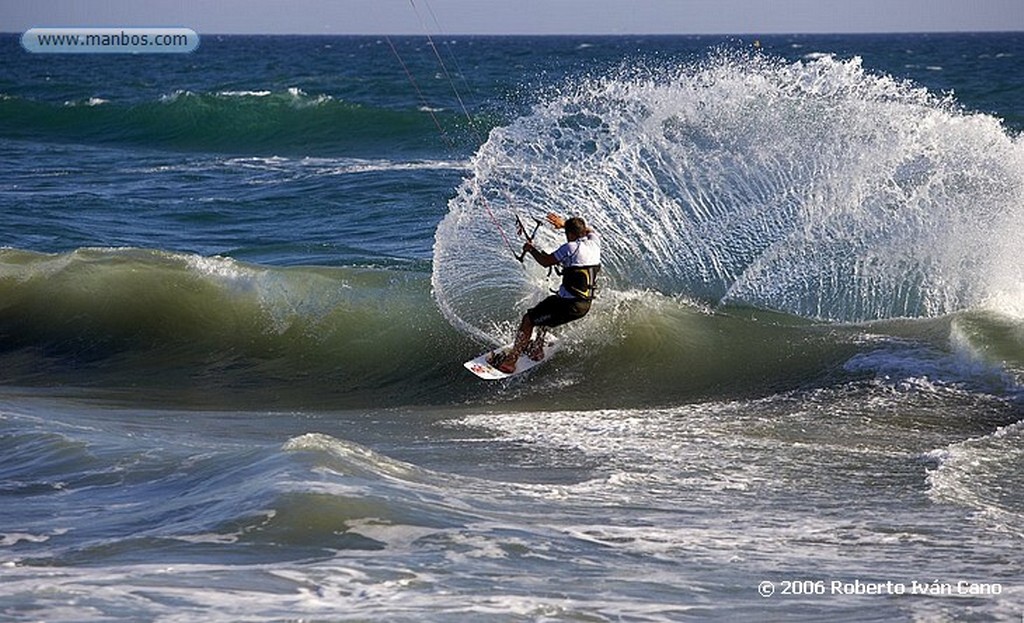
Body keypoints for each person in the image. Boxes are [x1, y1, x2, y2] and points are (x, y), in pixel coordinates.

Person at [491, 212, 601, 374]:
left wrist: (530, 249)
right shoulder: (595, 243)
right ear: (583, 232)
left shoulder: (571, 247)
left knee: (528, 320)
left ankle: (510, 361)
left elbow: (545, 262)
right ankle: (537, 348)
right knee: (547, 310)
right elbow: (590, 230)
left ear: (570, 234)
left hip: (568, 305)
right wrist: (564, 224)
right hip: (584, 306)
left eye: (566, 233)